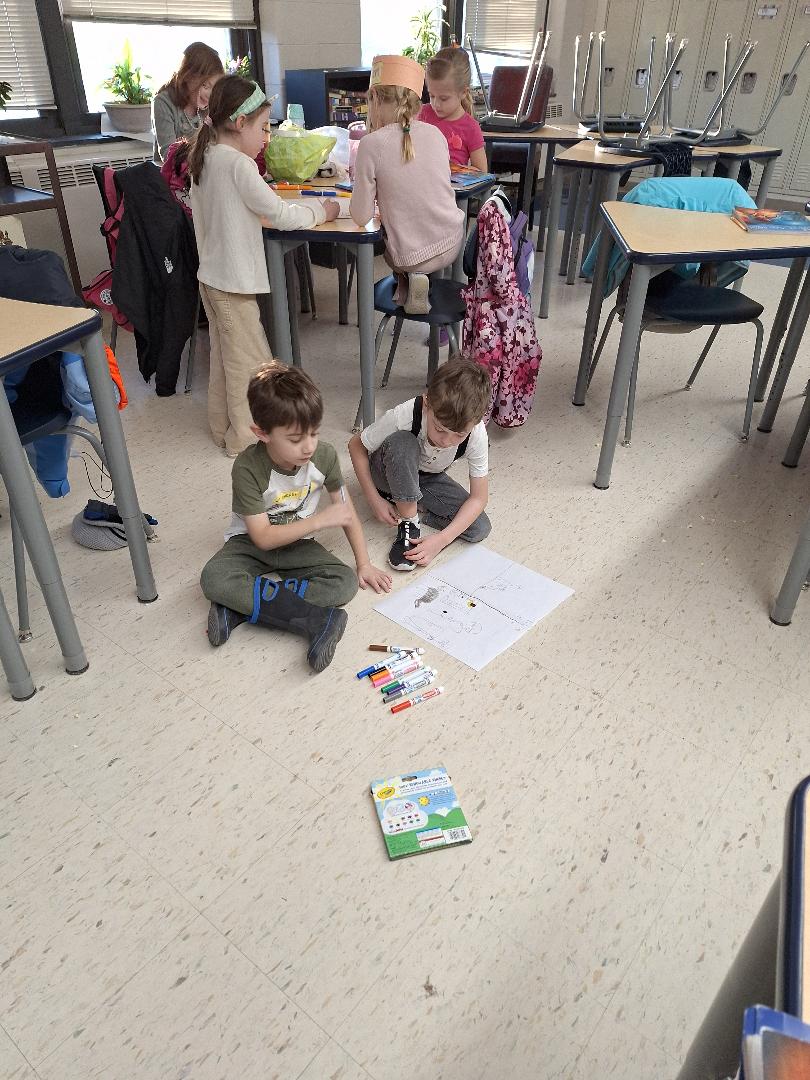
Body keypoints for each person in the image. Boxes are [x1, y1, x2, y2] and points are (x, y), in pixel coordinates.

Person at [201, 365, 392, 672]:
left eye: (314, 433)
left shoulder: (324, 456)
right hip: (249, 543)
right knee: (214, 577)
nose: (309, 446)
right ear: (262, 433)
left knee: (343, 583)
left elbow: (346, 513)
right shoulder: (247, 468)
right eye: (295, 439)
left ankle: (239, 608)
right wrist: (319, 521)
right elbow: (263, 537)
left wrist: (364, 563)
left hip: (297, 544)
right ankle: (316, 619)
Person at [188, 75, 340, 456]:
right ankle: (243, 441)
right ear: (240, 123)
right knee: (251, 366)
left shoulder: (206, 157)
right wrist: (322, 211)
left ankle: (220, 426)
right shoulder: (239, 166)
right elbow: (279, 214)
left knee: (225, 357)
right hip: (232, 284)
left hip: (212, 279)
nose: (266, 137)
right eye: (262, 128)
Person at [348, 357, 491, 571]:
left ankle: (413, 505)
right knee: (403, 442)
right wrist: (373, 499)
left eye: (458, 435)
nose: (446, 441)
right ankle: (409, 522)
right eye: (440, 429)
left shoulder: (476, 434)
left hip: (426, 477)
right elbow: (356, 445)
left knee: (479, 528)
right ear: (427, 403)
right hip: (386, 471)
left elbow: (479, 498)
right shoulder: (405, 414)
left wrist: (441, 540)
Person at [350, 54, 464, 315]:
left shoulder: (370, 144)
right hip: (451, 241)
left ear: (374, 98)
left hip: (409, 257)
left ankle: (409, 279)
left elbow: (361, 216)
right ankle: (417, 282)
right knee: (412, 222)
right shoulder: (436, 134)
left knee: (391, 237)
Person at [152, 42, 224, 163]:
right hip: (172, 172)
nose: (211, 94)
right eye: (205, 85)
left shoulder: (209, 106)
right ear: (187, 76)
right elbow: (168, 155)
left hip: (202, 169)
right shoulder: (163, 102)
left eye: (215, 88)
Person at [420, 47, 487, 173]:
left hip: (451, 185)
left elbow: (481, 171)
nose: (436, 104)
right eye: (432, 96)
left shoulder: (471, 127)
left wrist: (454, 169)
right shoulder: (421, 114)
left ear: (463, 92)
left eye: (444, 98)